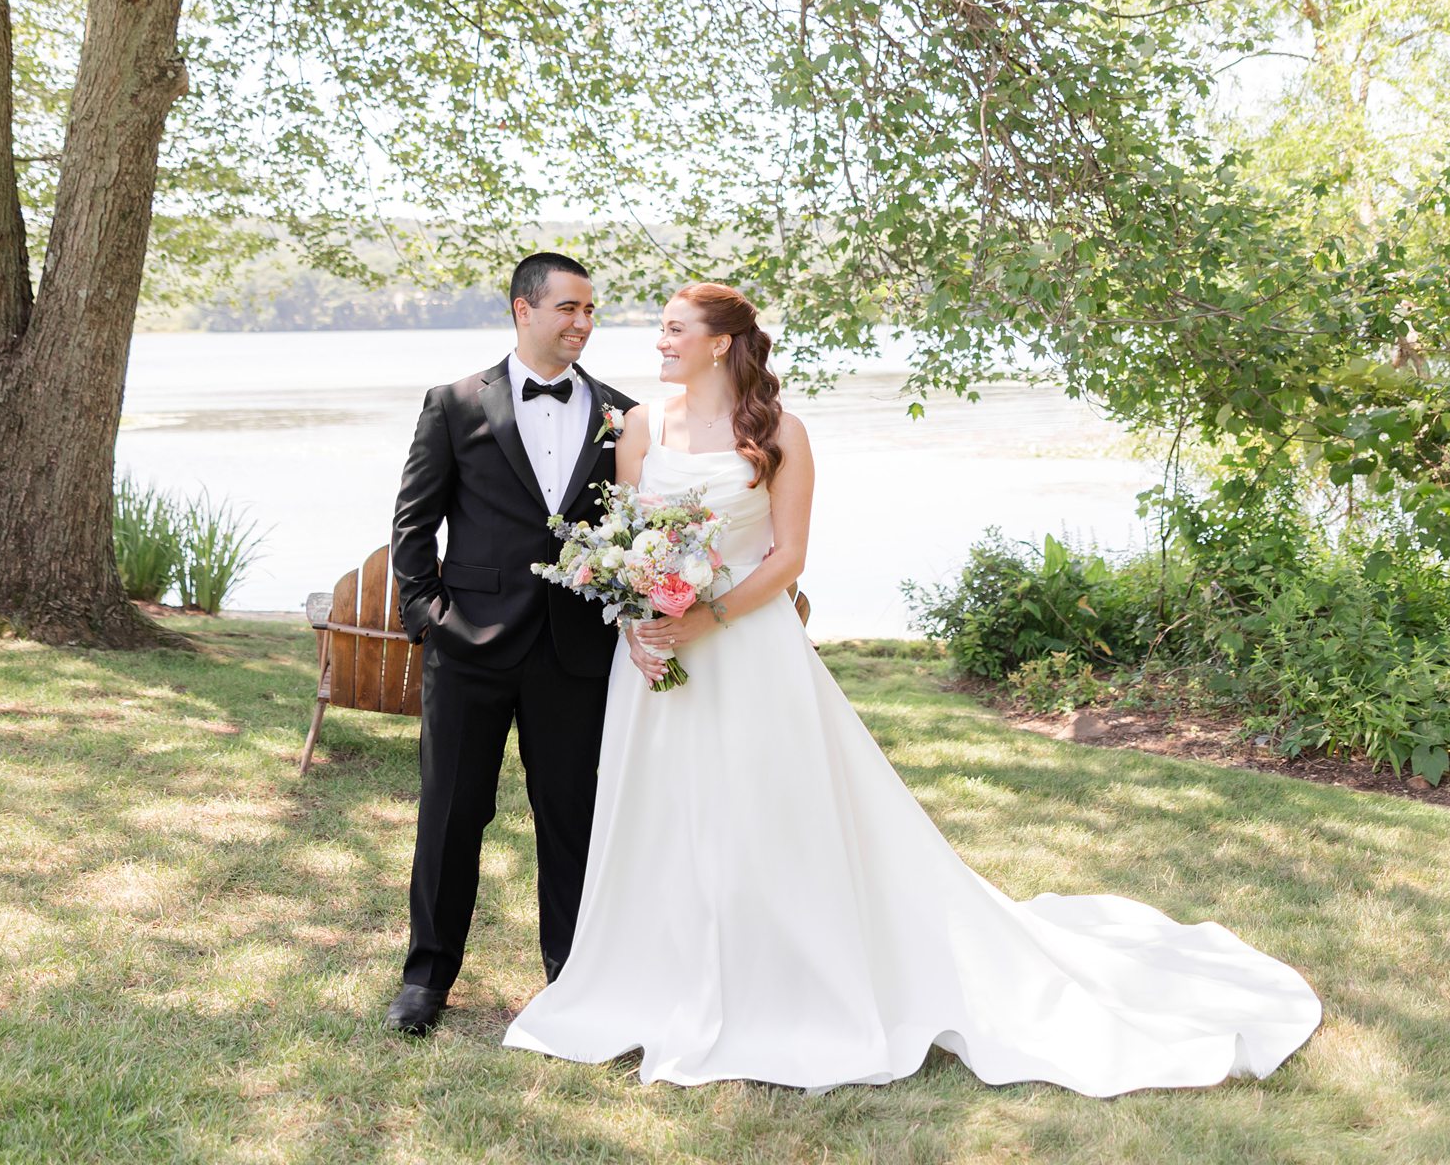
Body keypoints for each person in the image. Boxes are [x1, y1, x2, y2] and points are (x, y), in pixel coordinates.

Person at [503, 281, 1322, 1095]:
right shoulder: (642, 425)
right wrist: (639, 623)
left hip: (747, 648)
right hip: (653, 661)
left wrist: (705, 619)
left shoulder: (780, 432)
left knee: (762, 809)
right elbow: (627, 539)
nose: (659, 341)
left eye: (674, 328)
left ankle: (783, 978)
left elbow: (787, 557)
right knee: (662, 813)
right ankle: (658, 976)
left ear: (720, 342)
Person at [383, 252, 636, 1034]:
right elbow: (413, 522)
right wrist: (427, 617)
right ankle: (426, 980)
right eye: (569, 308)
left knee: (572, 817)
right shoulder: (456, 404)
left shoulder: (621, 415)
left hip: (575, 652)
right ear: (523, 310)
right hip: (470, 648)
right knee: (452, 813)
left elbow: (633, 530)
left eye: (590, 310)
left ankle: (570, 976)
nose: (582, 324)